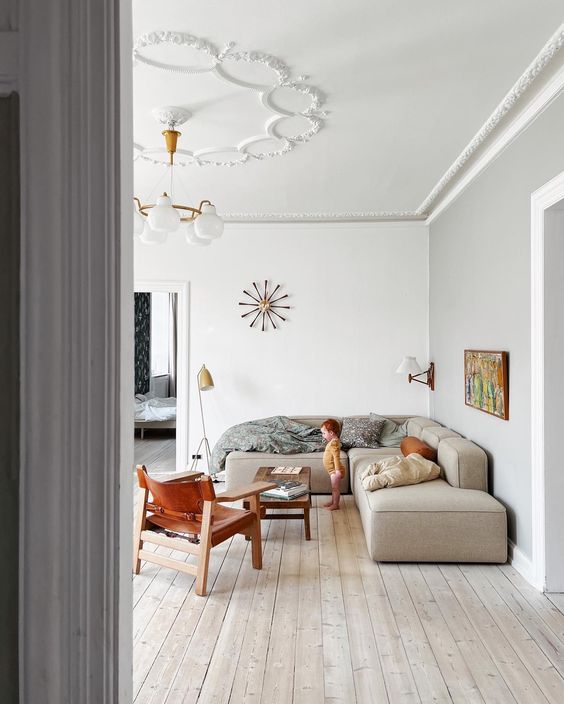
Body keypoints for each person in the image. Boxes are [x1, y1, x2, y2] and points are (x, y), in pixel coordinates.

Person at [320, 418, 346, 511]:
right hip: (333, 470)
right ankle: (333, 502)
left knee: (335, 488)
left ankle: (335, 505)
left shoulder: (334, 443)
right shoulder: (333, 441)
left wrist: (338, 470)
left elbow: (336, 457)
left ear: (331, 433)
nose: (323, 436)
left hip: (335, 470)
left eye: (324, 433)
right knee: (334, 488)